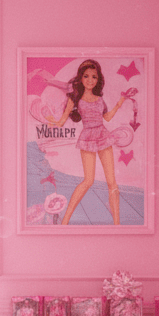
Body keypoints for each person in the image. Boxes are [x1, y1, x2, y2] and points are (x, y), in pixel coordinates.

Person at [44, 59, 130, 225]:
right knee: (88, 180)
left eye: (94, 77)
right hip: (88, 138)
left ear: (98, 80)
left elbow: (107, 117)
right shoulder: (75, 99)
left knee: (112, 182)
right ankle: (65, 221)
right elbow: (61, 122)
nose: (90, 80)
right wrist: (51, 122)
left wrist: (121, 101)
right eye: (86, 76)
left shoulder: (99, 99)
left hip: (103, 135)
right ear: (81, 78)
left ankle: (117, 224)